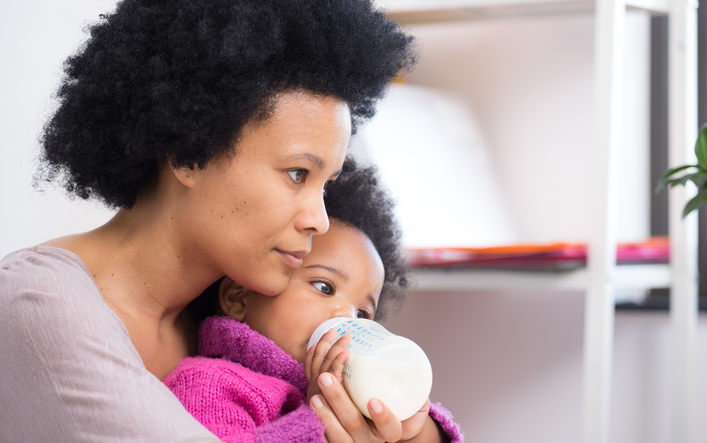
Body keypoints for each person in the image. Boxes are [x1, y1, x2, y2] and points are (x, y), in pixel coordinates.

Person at [0, 1, 417, 441]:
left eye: (325, 186)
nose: (320, 221)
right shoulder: (37, 301)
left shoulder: (234, 330)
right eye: (297, 174)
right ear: (189, 154)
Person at [166, 158, 463, 442]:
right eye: (324, 287)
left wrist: (416, 432)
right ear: (238, 298)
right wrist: (318, 423)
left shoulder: (360, 399)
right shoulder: (207, 382)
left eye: (362, 314)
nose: (346, 317)